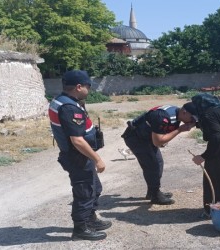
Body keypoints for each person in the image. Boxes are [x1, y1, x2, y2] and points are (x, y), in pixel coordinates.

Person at [48, 70, 111, 241]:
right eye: (88, 86)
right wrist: (97, 159)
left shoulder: (61, 100)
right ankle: (81, 229)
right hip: (78, 157)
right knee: (84, 193)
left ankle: (90, 219)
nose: (89, 90)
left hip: (79, 156)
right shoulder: (69, 107)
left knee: (95, 188)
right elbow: (77, 140)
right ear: (78, 87)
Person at [121, 103, 198, 205]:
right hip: (137, 138)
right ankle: (155, 195)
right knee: (154, 165)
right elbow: (158, 142)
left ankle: (153, 192)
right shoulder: (162, 116)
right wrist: (180, 129)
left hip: (145, 138)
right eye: (192, 118)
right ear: (184, 112)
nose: (192, 121)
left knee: (157, 163)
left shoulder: (176, 113)